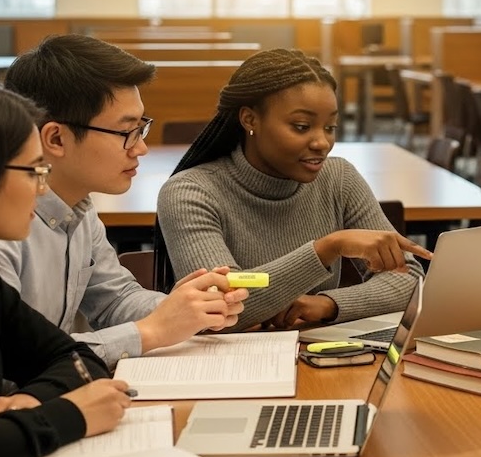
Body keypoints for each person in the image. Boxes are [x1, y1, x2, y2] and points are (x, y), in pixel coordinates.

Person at [0, 35, 247, 368]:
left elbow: (115, 300)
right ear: (55, 138)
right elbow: (4, 361)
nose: (140, 148)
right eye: (126, 132)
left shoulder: (78, 208)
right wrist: (149, 332)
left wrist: (187, 308)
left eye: (142, 128)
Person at [0, 79, 134, 457]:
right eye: (34, 171)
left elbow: (75, 359)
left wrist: (27, 403)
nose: (42, 190)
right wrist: (70, 415)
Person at [155, 48, 430, 331]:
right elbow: (222, 304)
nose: (322, 142)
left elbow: (407, 280)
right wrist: (325, 249)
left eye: (330, 127)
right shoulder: (190, 193)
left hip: (313, 355)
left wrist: (328, 304)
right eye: (301, 126)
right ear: (250, 120)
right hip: (226, 366)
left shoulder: (339, 178)